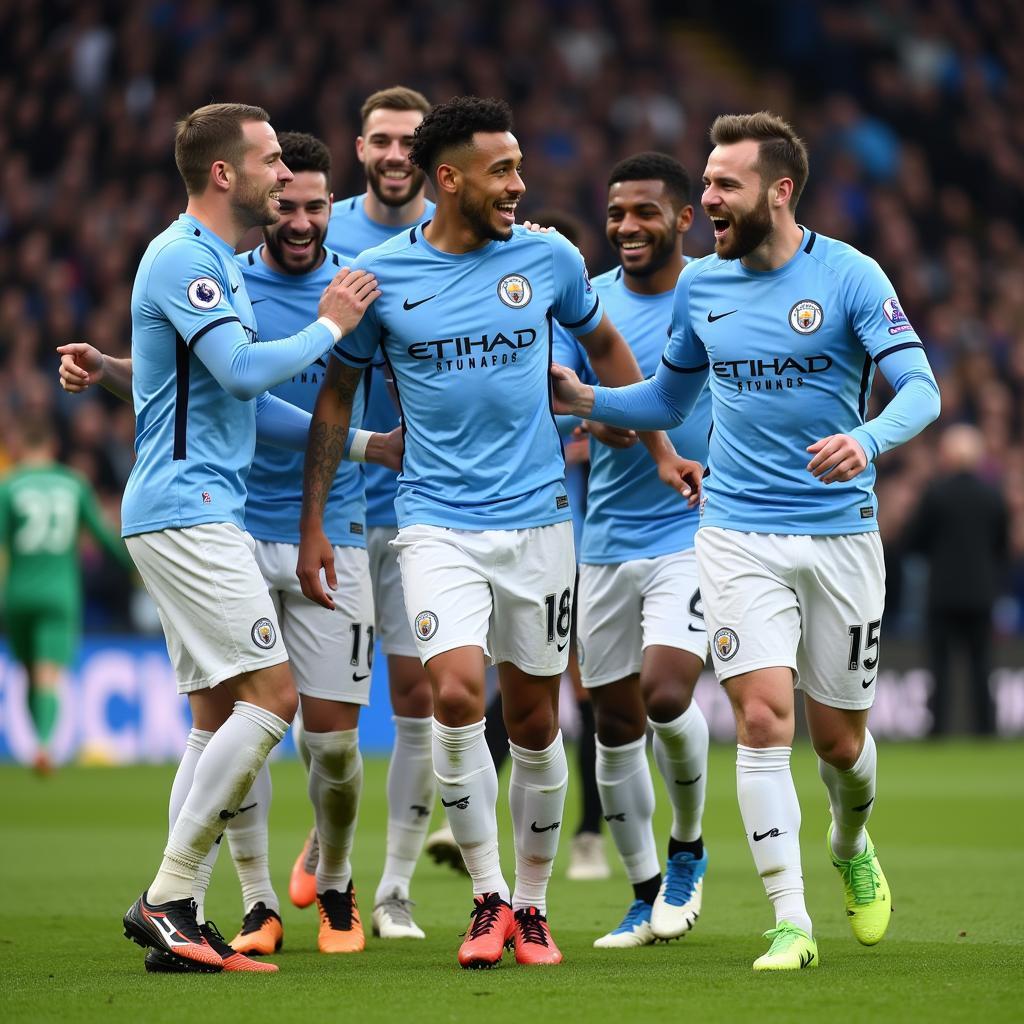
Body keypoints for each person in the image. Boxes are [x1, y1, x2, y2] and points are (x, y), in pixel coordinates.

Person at [297, 95, 700, 969]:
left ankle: (535, 904)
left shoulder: (550, 260)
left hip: (540, 524)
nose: (520, 185)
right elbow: (335, 398)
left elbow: (608, 353)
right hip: (434, 522)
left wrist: (660, 446)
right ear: (450, 180)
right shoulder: (384, 281)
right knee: (451, 698)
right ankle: (487, 897)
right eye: (502, 170)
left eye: (519, 167)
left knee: (534, 722)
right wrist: (314, 523)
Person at [551, 111, 941, 970]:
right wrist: (587, 402)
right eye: (709, 183)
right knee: (763, 719)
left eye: (725, 185)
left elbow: (922, 390)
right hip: (735, 533)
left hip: (841, 536)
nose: (711, 199)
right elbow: (663, 400)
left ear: (780, 190)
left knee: (841, 746)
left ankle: (849, 843)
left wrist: (868, 440)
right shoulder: (705, 289)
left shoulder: (847, 275)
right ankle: (791, 921)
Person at [58, 130, 401, 963]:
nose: (282, 175)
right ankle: (169, 895)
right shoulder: (185, 257)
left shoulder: (212, 259)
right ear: (224, 171)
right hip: (189, 511)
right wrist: (329, 327)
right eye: (270, 160)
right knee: (275, 695)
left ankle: (180, 915)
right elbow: (247, 372)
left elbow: (241, 407)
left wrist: (362, 444)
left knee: (214, 722)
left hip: (192, 507)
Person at [553, 153, 713, 948]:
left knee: (665, 694)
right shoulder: (590, 303)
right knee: (612, 723)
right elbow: (558, 405)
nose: (626, 227)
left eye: (645, 213)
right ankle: (646, 893)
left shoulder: (717, 293)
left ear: (685, 218)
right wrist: (588, 420)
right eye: (616, 214)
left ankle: (688, 846)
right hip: (605, 538)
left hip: (692, 527)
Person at [0, 420, 134, 773]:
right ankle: (43, 745)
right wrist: (133, 565)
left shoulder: (8, 486)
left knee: (29, 672)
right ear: (52, 449)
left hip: (17, 593)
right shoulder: (72, 484)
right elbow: (104, 537)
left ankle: (36, 743)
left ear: (20, 449)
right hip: (59, 593)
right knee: (47, 675)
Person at [904, 424, 1008, 736]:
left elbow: (913, 541)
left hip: (943, 595)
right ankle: (986, 731)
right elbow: (1001, 545)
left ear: (947, 456)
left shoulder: (935, 494)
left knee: (940, 668)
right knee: (982, 667)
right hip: (981, 594)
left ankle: (937, 732)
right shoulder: (993, 495)